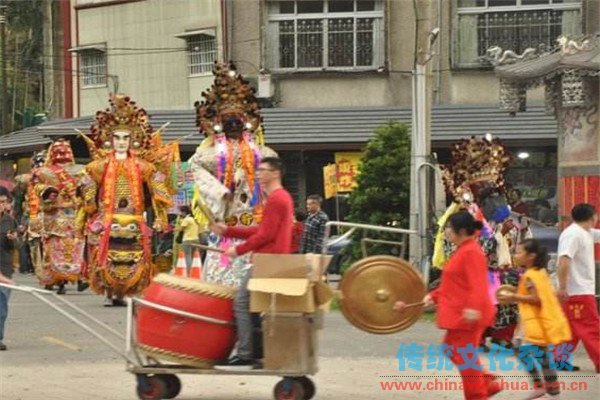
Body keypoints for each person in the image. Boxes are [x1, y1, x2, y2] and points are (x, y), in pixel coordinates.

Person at [78, 94, 174, 307]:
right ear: (109, 140)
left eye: (125, 138)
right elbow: (88, 185)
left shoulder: (144, 167)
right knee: (107, 255)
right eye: (117, 138)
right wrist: (88, 203)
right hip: (108, 218)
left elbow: (158, 191)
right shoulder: (99, 166)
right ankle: (110, 289)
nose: (121, 142)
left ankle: (126, 290)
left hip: (134, 218)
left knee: (133, 254)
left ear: (133, 140)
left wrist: (160, 216)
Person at [188, 62, 276, 288]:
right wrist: (220, 192)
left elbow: (273, 170)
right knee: (221, 273)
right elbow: (194, 165)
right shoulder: (213, 153)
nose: (234, 125)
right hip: (228, 221)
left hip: (253, 222)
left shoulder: (261, 153)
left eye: (238, 121)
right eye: (228, 122)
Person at [398, 211, 497, 399]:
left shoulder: (471, 252)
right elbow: (453, 283)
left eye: (449, 228)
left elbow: (478, 284)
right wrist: (433, 296)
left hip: (468, 314)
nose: (446, 232)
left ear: (460, 230)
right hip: (461, 313)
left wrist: (473, 308)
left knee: (464, 356)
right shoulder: (463, 250)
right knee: (452, 349)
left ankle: (478, 393)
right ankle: (487, 383)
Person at [209, 157, 293, 370]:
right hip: (272, 258)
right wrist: (228, 231)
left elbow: (265, 234)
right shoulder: (279, 197)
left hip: (267, 259)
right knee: (253, 305)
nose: (258, 174)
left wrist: (237, 250)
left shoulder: (276, 198)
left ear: (275, 173)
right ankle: (256, 351)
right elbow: (261, 230)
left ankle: (246, 353)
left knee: (242, 302)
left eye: (263, 170)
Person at [498, 239, 571, 399]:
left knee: (521, 348)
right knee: (541, 354)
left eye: (518, 252)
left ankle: (543, 387)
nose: (515, 255)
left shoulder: (530, 275)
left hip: (533, 321)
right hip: (539, 319)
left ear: (531, 256)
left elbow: (536, 299)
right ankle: (551, 390)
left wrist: (513, 296)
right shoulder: (540, 272)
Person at [556, 203, 600, 373]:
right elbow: (564, 260)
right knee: (591, 328)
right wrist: (562, 286)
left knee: (571, 329)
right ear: (592, 217)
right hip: (578, 291)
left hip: (576, 292)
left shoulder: (585, 232)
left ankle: (559, 359)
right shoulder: (573, 234)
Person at [0, 186, 19, 351]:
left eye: (4, 202)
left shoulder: (9, 220)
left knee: (1, 307)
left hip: (4, 267)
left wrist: (12, 239)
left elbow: (16, 245)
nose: (2, 205)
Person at [178, 205, 200, 272]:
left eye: (181, 212)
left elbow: (181, 229)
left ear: (184, 212)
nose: (180, 214)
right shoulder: (193, 219)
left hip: (187, 240)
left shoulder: (186, 220)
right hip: (196, 239)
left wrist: (174, 229)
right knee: (194, 256)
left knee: (187, 256)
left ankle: (189, 271)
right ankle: (195, 270)